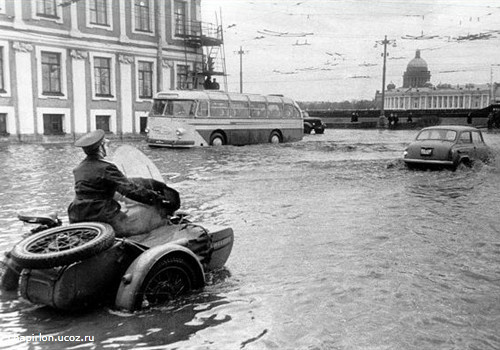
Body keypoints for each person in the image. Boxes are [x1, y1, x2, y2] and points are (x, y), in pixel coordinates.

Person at [68, 129, 168, 237]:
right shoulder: (107, 168)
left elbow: (93, 192)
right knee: (150, 220)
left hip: (76, 216)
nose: (107, 147)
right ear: (101, 147)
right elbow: (130, 190)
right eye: (106, 144)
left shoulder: (78, 169)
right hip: (102, 216)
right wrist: (157, 199)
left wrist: (123, 198)